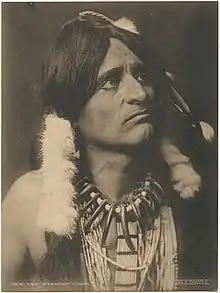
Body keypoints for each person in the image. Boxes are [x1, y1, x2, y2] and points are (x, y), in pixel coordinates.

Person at [2, 10, 214, 292]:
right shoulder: (31, 204)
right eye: (110, 82)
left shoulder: (185, 194)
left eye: (141, 75)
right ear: (72, 109)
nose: (139, 93)